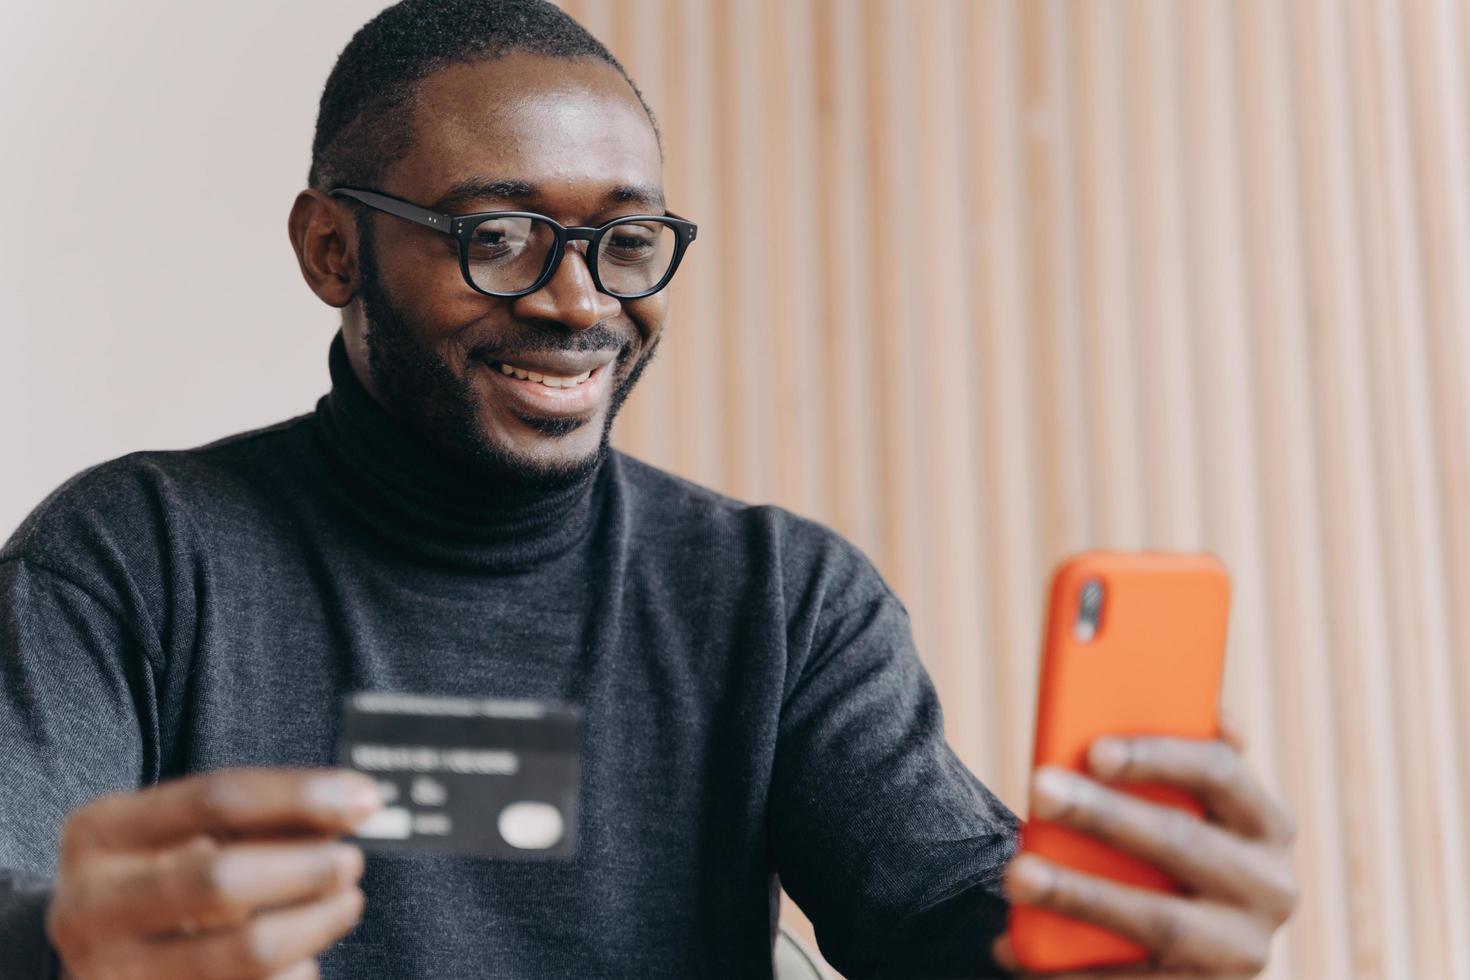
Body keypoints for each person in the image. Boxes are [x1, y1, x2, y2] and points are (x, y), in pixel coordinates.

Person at [0, 2, 1296, 977]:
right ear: (332, 248)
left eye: (626, 242)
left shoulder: (776, 597)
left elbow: (943, 918)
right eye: (495, 236)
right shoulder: (129, 559)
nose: (579, 302)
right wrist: (66, 950)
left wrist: (1124, 942)